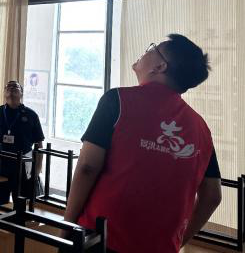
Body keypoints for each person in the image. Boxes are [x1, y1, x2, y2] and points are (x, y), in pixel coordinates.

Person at [64, 34, 222, 253]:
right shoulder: (200, 127)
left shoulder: (118, 100)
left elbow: (87, 167)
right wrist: (178, 241)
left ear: (160, 66)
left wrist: (67, 228)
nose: (145, 51)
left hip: (101, 240)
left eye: (152, 48)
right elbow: (212, 196)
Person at [0, 80, 45, 204]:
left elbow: (39, 144)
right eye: (8, 87)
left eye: (15, 86)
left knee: (21, 204)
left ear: (21, 93)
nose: (11, 88)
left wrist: (37, 169)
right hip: (0, 165)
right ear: (4, 93)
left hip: (22, 166)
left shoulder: (31, 115)